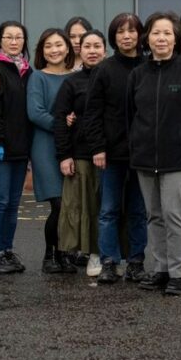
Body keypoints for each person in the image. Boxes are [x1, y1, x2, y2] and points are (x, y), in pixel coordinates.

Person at [127, 11, 181, 297]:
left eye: (166, 33)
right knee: (154, 215)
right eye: (155, 33)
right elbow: (131, 116)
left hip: (179, 158)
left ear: (176, 38)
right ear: (147, 38)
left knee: (175, 214)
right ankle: (161, 268)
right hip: (145, 158)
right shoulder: (138, 74)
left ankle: (179, 273)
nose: (161, 38)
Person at [84, 12, 148, 285]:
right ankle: (109, 261)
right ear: (114, 37)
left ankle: (135, 261)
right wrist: (98, 147)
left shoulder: (149, 67)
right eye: (120, 31)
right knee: (108, 209)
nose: (126, 36)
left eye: (131, 31)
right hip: (110, 153)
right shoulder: (104, 69)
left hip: (143, 154)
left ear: (139, 35)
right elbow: (92, 113)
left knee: (137, 210)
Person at [53, 30, 107, 278]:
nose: (93, 51)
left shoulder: (114, 76)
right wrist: (64, 155)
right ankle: (91, 254)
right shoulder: (71, 82)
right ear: (80, 51)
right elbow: (60, 120)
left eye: (97, 46)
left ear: (105, 50)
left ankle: (112, 254)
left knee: (108, 207)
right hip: (81, 155)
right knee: (82, 207)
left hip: (113, 154)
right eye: (88, 46)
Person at [0, 21, 32, 275]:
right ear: (0, 40)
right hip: (1, 149)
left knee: (13, 204)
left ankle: (7, 250)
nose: (14, 42)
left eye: (19, 37)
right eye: (9, 37)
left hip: (21, 150)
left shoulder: (26, 71)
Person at [26, 28, 76, 274]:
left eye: (58, 45)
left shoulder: (75, 77)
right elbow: (35, 113)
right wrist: (61, 124)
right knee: (58, 204)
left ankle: (64, 254)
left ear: (68, 48)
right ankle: (49, 256)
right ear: (41, 52)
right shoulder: (38, 77)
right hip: (44, 146)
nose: (54, 50)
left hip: (71, 147)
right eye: (48, 46)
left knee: (70, 205)